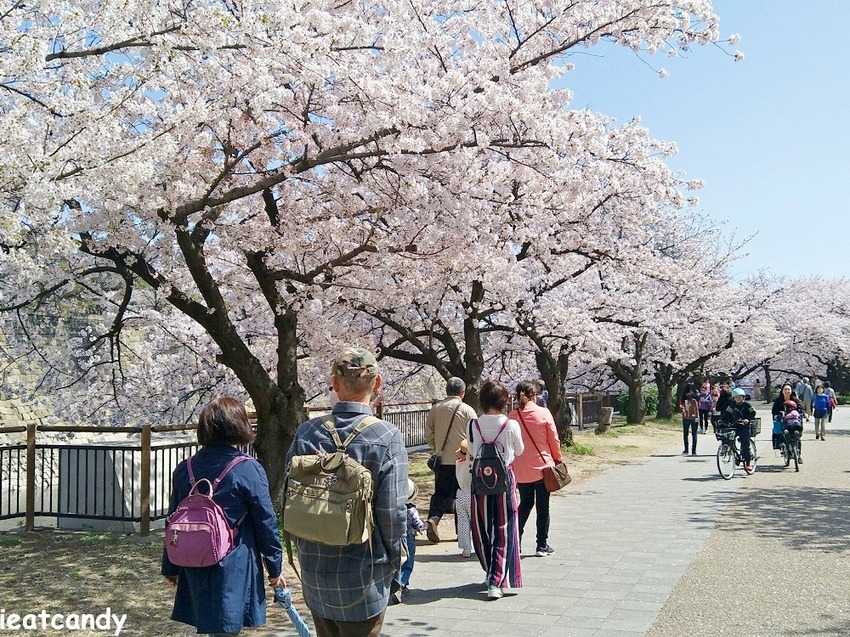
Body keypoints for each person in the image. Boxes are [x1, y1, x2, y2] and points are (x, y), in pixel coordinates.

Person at [284, 346, 408, 636]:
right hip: (364, 574)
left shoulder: (307, 432)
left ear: (335, 384)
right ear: (377, 384)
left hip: (315, 569)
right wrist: (395, 561)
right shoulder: (386, 436)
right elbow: (392, 512)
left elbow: (288, 496)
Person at [162, 396, 285, 636]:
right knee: (226, 627)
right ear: (239, 425)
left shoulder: (185, 468)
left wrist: (170, 566)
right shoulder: (247, 468)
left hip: (193, 559)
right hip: (233, 562)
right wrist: (274, 567)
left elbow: (173, 520)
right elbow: (265, 522)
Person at [467, 380, 524, 600]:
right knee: (504, 527)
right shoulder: (511, 425)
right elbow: (519, 451)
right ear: (503, 401)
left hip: (480, 479)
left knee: (482, 526)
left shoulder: (473, 425)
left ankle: (490, 570)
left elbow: (472, 451)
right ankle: (496, 580)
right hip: (504, 480)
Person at [509, 380, 562, 557]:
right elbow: (554, 438)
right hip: (542, 466)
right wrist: (557, 458)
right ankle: (541, 544)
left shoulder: (511, 416)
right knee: (543, 506)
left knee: (525, 504)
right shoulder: (543, 413)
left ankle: (516, 541)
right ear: (534, 396)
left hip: (520, 469)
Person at [424, 377, 477, 544]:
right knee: (462, 495)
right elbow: (475, 435)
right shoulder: (468, 410)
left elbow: (428, 434)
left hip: (443, 460)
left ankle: (433, 519)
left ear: (446, 390)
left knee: (441, 493)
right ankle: (461, 532)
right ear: (463, 392)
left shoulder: (436, 409)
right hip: (463, 460)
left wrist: (437, 447)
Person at [399, 479, 427, 595]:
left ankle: (398, 584)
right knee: (408, 562)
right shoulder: (411, 510)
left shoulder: (394, 509)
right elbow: (419, 525)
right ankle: (401, 584)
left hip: (396, 537)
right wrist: (425, 526)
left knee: (398, 561)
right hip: (409, 537)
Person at [720, 387, 756, 472]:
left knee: (745, 445)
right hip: (734, 425)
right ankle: (732, 452)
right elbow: (727, 414)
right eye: (736, 397)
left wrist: (748, 419)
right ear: (733, 398)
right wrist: (722, 420)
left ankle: (748, 463)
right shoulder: (732, 405)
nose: (738, 398)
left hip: (744, 427)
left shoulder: (747, 405)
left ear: (743, 397)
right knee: (728, 438)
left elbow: (753, 413)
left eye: (740, 397)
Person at [772, 383, 803, 463]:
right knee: (780, 432)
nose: (787, 391)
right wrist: (777, 416)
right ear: (782, 391)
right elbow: (774, 411)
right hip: (783, 420)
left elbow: (800, 409)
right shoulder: (778, 400)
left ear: (791, 391)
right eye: (785, 389)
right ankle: (781, 445)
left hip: (793, 421)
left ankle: (798, 455)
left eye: (788, 389)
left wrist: (801, 413)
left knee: (796, 437)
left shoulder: (795, 400)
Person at [454, 439, 473, 558]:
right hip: (473, 494)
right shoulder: (476, 462)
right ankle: (480, 544)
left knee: (463, 521)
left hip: (461, 493)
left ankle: (466, 548)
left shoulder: (459, 463)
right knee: (476, 522)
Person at [680, 383, 699, 455]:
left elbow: (681, 405)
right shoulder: (696, 397)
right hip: (695, 417)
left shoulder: (684, 397)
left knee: (685, 433)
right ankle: (694, 451)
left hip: (686, 417)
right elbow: (699, 406)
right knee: (694, 433)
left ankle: (686, 449)